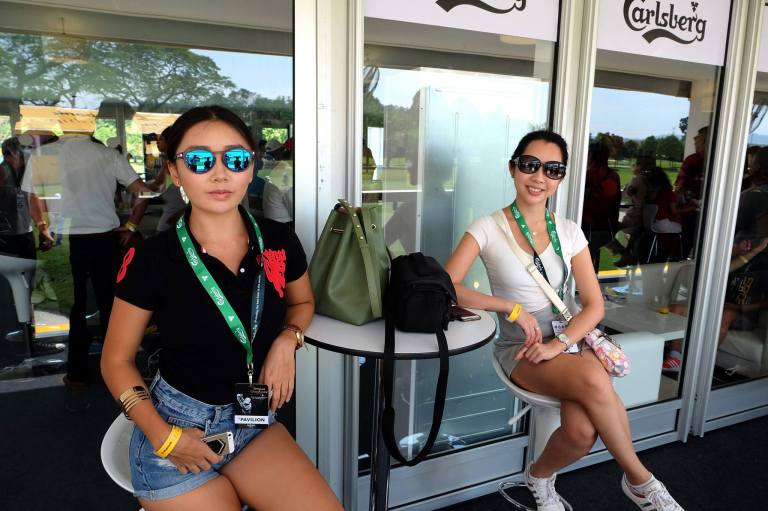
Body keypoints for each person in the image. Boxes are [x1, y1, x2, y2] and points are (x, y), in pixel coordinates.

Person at [101, 106, 342, 511]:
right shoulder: (153, 259)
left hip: (252, 421)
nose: (219, 173)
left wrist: (289, 339)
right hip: (177, 427)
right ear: (176, 173)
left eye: (235, 159)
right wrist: (165, 437)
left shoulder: (279, 239)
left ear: (251, 168)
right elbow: (115, 360)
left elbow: (302, 302)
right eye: (198, 160)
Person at [444, 130, 684, 510]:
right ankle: (643, 484)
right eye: (530, 165)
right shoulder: (488, 227)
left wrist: (559, 343)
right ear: (513, 168)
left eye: (552, 169)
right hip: (521, 347)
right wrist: (510, 307)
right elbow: (448, 286)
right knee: (592, 378)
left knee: (581, 432)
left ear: (561, 177)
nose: (540, 177)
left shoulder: (568, 230)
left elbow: (593, 306)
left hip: (568, 339)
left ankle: (538, 477)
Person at [23, 130, 155, 387]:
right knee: (110, 305)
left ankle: (77, 373)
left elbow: (34, 197)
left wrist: (42, 227)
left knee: (72, 308)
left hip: (63, 238)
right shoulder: (106, 154)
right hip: (104, 238)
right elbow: (142, 192)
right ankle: (115, 372)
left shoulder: (46, 154)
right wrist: (130, 226)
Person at [581, 141, 621, 270]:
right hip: (608, 229)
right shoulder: (614, 176)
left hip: (589, 229)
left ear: (591, 156)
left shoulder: (587, 175)